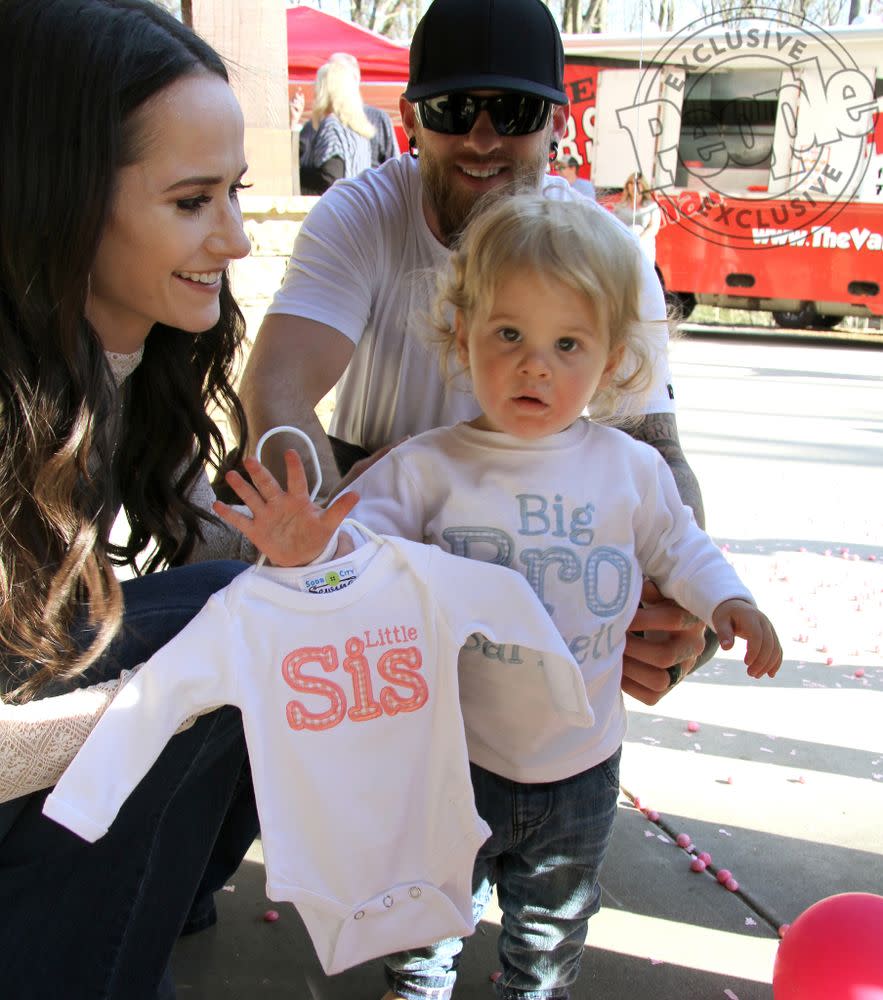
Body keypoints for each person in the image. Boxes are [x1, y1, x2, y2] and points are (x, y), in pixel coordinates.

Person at [215, 192, 783, 1000]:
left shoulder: (628, 469)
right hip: (452, 754)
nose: (534, 364)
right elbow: (358, 556)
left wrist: (730, 601)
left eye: (567, 343)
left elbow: (679, 545)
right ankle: (417, 987)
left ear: (614, 358)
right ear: (463, 335)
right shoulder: (425, 467)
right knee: (429, 909)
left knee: (550, 928)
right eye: (508, 334)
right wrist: (311, 548)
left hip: (580, 761)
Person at [0, 2, 352, 997]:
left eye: (235, 192)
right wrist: (166, 695)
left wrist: (336, 564)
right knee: (228, 626)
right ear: (59, 195)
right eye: (193, 200)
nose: (237, 239)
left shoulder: (132, 349)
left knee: (267, 602)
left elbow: (221, 549)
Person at [238, 0, 715, 707]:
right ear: (408, 117)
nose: (482, 140)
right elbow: (274, 393)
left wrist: (686, 621)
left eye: (516, 113)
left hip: (546, 545)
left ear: (555, 123)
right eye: (453, 109)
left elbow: (657, 453)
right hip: (385, 499)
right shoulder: (363, 211)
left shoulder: (604, 250)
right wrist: (328, 543)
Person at [299, 59, 375, 195]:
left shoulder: (332, 126)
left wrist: (296, 173)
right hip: (357, 210)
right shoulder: (359, 130)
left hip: (337, 211)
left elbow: (329, 180)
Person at [613, 171, 662, 263]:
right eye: (631, 183)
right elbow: (614, 225)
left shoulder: (651, 206)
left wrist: (639, 240)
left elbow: (653, 227)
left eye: (637, 183)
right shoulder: (619, 207)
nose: (634, 186)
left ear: (643, 185)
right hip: (624, 248)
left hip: (644, 248)